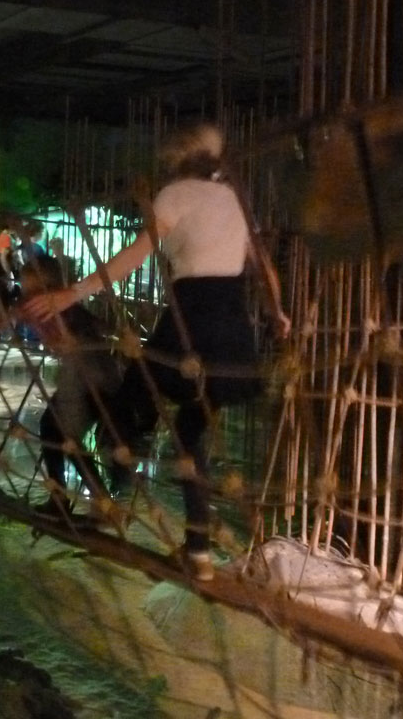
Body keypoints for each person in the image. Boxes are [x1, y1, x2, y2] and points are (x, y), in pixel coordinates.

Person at [25, 124, 290, 581]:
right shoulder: (235, 200)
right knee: (191, 434)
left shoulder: (175, 195)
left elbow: (135, 255)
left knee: (132, 396)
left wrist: (75, 292)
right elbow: (263, 269)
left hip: (191, 318)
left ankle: (116, 484)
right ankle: (199, 549)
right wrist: (279, 315)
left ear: (178, 160)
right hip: (232, 326)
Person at [0, 257, 119, 516]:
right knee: (54, 430)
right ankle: (72, 500)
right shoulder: (52, 302)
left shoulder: (45, 302)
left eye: (27, 276)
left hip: (86, 376)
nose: (21, 280)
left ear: (41, 279)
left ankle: (93, 503)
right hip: (99, 375)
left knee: (65, 436)